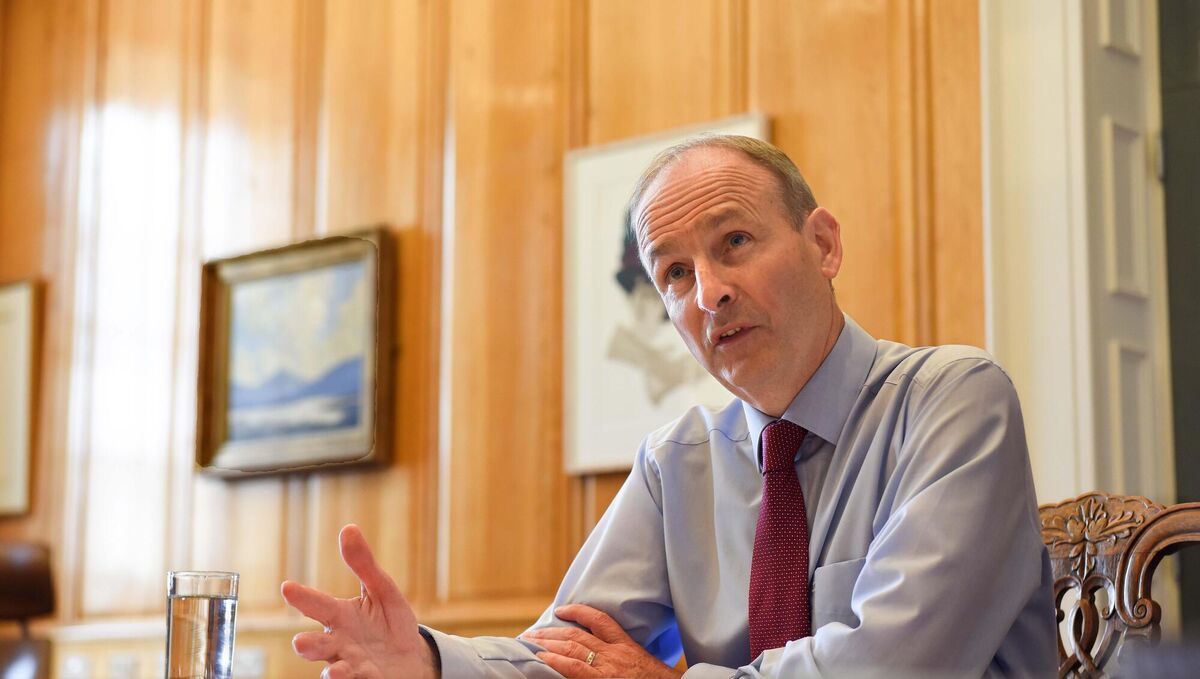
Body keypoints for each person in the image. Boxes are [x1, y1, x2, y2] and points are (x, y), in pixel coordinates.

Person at [281, 136, 1056, 678]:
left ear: (823, 244)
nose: (709, 292)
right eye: (676, 273)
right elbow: (569, 653)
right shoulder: (677, 462)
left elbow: (894, 668)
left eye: (736, 241)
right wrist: (429, 660)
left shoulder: (954, 400)